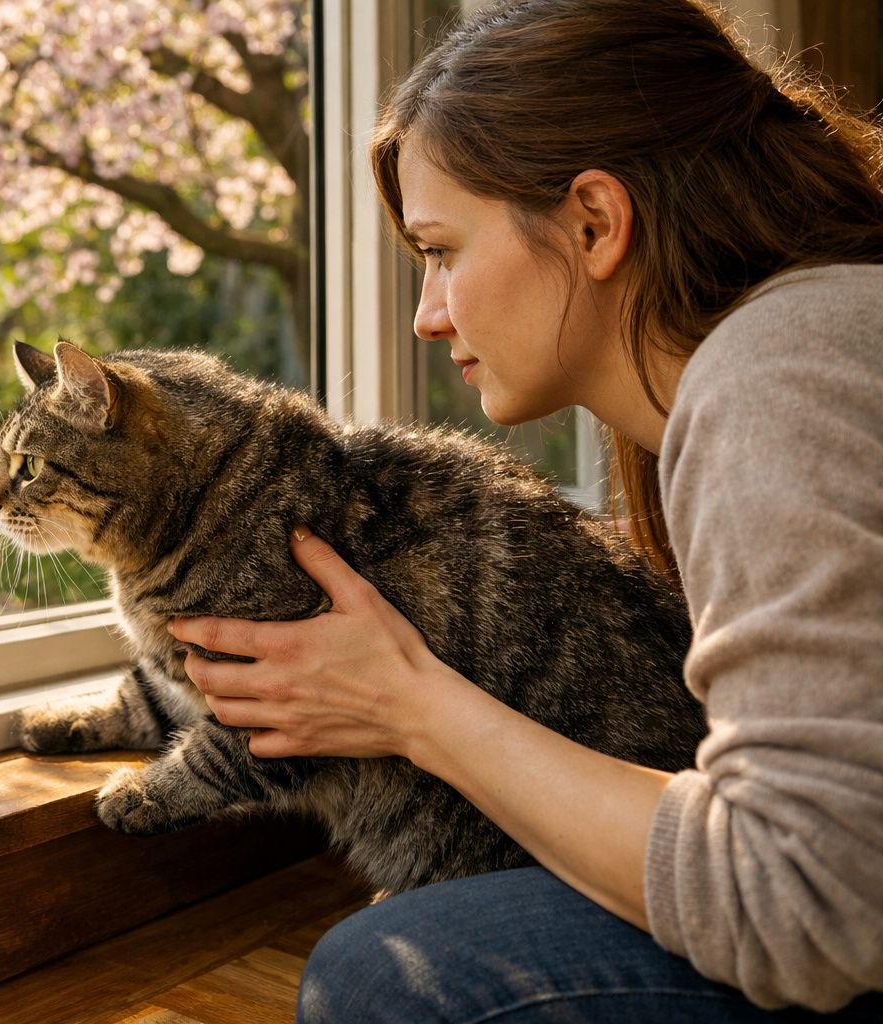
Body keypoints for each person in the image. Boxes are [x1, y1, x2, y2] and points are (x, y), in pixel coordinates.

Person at [167, 1, 883, 1020]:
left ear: (595, 222)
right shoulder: (821, 332)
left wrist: (414, 706)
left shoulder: (774, 384)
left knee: (386, 973)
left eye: (443, 250)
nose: (426, 313)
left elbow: (809, 908)